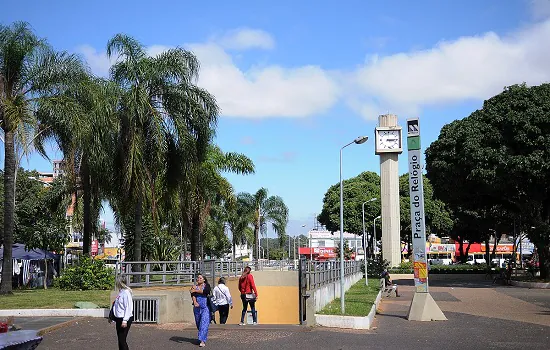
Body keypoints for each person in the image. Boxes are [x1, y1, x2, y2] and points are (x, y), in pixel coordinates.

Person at [110, 276, 134, 350]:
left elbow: (128, 307)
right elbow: (117, 306)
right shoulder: (121, 292)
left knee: (122, 340)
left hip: (124, 319)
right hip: (118, 318)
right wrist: (112, 317)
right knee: (120, 340)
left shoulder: (126, 293)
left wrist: (125, 320)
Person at [190, 274, 211, 347]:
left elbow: (205, 292)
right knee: (199, 323)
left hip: (205, 307)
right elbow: (193, 295)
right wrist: (195, 302)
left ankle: (202, 341)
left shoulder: (206, 286)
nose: (198, 279)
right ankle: (202, 335)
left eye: (200, 278)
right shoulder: (194, 286)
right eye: (198, 278)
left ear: (204, 279)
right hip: (197, 308)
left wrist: (196, 290)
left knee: (204, 323)